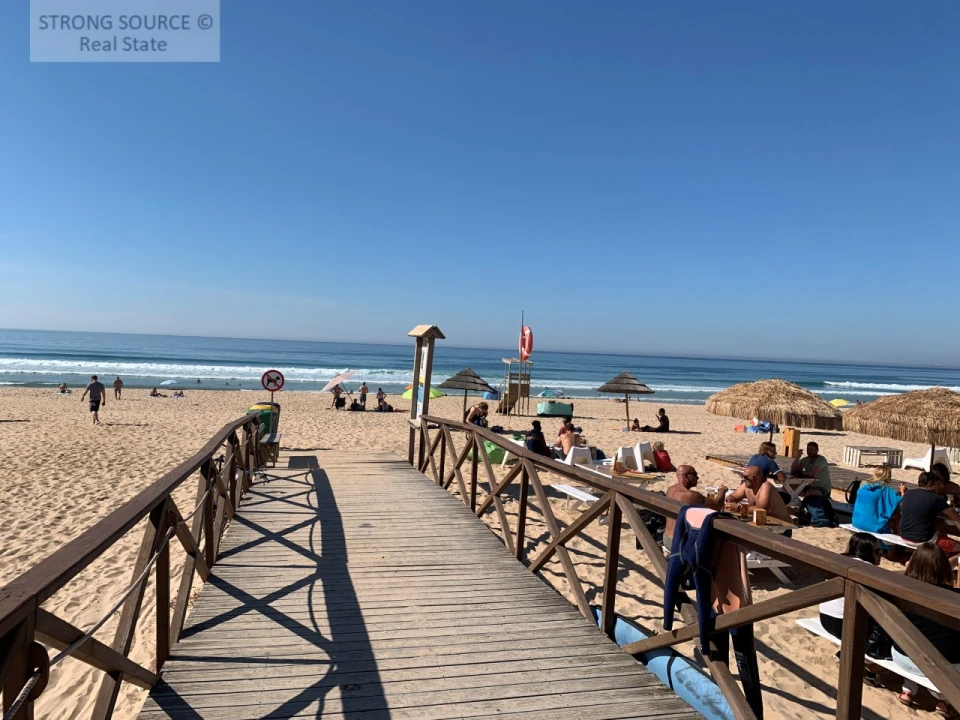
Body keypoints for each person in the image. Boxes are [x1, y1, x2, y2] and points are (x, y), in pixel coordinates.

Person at [892, 543, 960, 715]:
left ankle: (908, 689)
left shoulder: (900, 588)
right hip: (942, 666)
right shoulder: (954, 597)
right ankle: (943, 699)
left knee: (918, 638)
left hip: (902, 656)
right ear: (944, 569)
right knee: (938, 645)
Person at [819, 533, 883, 639]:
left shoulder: (842, 560)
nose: (881, 555)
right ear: (866, 552)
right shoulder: (868, 568)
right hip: (845, 623)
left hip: (825, 619)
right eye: (877, 552)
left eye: (881, 551)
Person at [664, 465, 727, 549]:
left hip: (666, 537)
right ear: (686, 475)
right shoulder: (691, 495)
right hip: (679, 542)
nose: (697, 477)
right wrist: (722, 491)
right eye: (694, 474)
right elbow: (717, 505)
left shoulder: (671, 489)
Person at [899, 471, 960, 554]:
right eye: (937, 484)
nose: (939, 487)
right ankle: (946, 561)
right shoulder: (935, 498)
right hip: (923, 540)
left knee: (939, 523)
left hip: (904, 536)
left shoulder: (908, 493)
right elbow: (955, 517)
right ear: (930, 485)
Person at [725, 464, 793, 523]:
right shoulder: (746, 486)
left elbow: (762, 509)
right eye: (743, 476)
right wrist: (730, 500)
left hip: (782, 525)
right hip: (765, 523)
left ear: (757, 479)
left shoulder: (766, 486)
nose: (743, 479)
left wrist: (739, 508)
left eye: (746, 477)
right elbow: (734, 496)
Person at [851, 467, 904, 534]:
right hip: (873, 526)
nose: (891, 477)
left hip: (856, 522)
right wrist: (903, 491)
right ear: (886, 476)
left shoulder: (863, 486)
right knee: (898, 515)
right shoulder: (885, 489)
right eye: (890, 475)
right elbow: (904, 503)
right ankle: (899, 536)